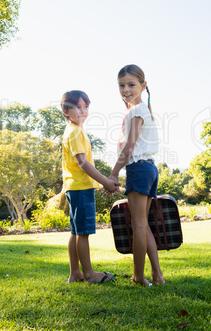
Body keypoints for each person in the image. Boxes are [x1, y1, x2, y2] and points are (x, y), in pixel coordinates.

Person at [109, 64, 165, 287]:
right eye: (121, 85)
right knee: (144, 224)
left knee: (139, 225)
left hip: (139, 169)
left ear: (143, 85)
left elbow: (130, 146)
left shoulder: (136, 111)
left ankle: (138, 277)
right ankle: (157, 275)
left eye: (131, 85)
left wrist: (113, 174)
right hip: (150, 169)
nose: (126, 89)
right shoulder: (142, 110)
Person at [61, 90, 118, 284]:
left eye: (86, 107)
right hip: (81, 187)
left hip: (74, 187)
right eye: (78, 107)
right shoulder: (75, 132)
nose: (83, 111)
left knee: (76, 232)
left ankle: (74, 273)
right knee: (83, 232)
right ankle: (90, 275)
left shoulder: (73, 130)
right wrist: (106, 182)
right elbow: (83, 163)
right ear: (66, 110)